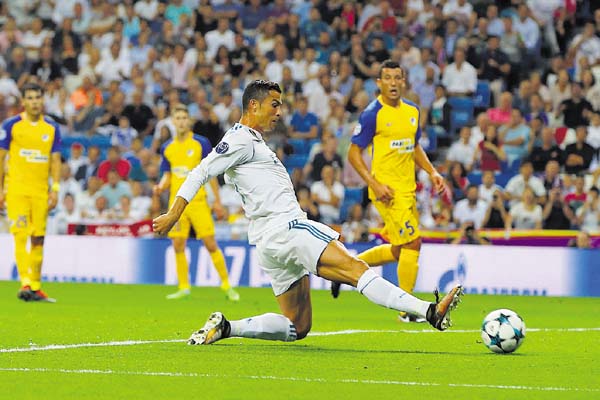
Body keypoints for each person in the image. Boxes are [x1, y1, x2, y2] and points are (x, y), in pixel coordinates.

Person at [152, 80, 463, 345]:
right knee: (355, 269)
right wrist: (173, 214)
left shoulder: (251, 142)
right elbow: (199, 172)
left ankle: (227, 327)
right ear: (253, 106)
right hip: (289, 229)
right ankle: (429, 312)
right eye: (274, 105)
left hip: (268, 243)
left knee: (298, 326)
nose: (279, 111)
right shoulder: (239, 140)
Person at [330, 61, 447, 323]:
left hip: (408, 190)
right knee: (413, 243)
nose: (393, 83)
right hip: (387, 192)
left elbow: (414, 147)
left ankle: (345, 269)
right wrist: (374, 183)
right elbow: (353, 153)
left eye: (397, 77)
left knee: (399, 250)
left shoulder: (413, 111)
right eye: (387, 78)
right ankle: (410, 308)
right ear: (379, 83)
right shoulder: (373, 114)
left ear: (403, 81)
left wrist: (432, 172)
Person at [153, 104, 240, 301]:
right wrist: (160, 187)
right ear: (173, 122)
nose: (182, 121)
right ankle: (184, 287)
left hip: (198, 201)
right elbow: (168, 175)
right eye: (178, 118)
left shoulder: (201, 144)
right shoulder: (167, 147)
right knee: (177, 244)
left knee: (210, 243)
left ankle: (227, 285)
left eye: (185, 117)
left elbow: (211, 174)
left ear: (189, 121)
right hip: (176, 205)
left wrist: (217, 202)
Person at [0, 83, 61, 302]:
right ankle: (25, 282)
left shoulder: (51, 128)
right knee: (20, 235)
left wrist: (55, 188)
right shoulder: (11, 125)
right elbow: (1, 157)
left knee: (38, 239)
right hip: (16, 190)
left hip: (40, 192)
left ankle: (35, 286)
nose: (35, 101)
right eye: (31, 98)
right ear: (23, 102)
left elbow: (55, 160)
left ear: (42, 100)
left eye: (38, 97)